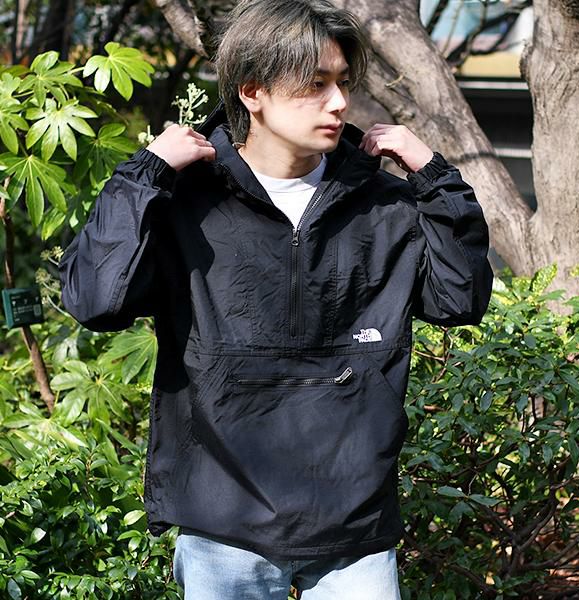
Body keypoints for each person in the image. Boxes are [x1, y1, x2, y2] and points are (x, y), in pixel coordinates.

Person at [58, 0, 494, 597]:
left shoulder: (385, 207)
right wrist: (145, 173)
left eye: (343, 83)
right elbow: (95, 301)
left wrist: (434, 177)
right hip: (222, 523)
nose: (339, 103)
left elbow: (459, 299)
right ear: (252, 92)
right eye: (315, 85)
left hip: (354, 526)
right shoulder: (185, 203)